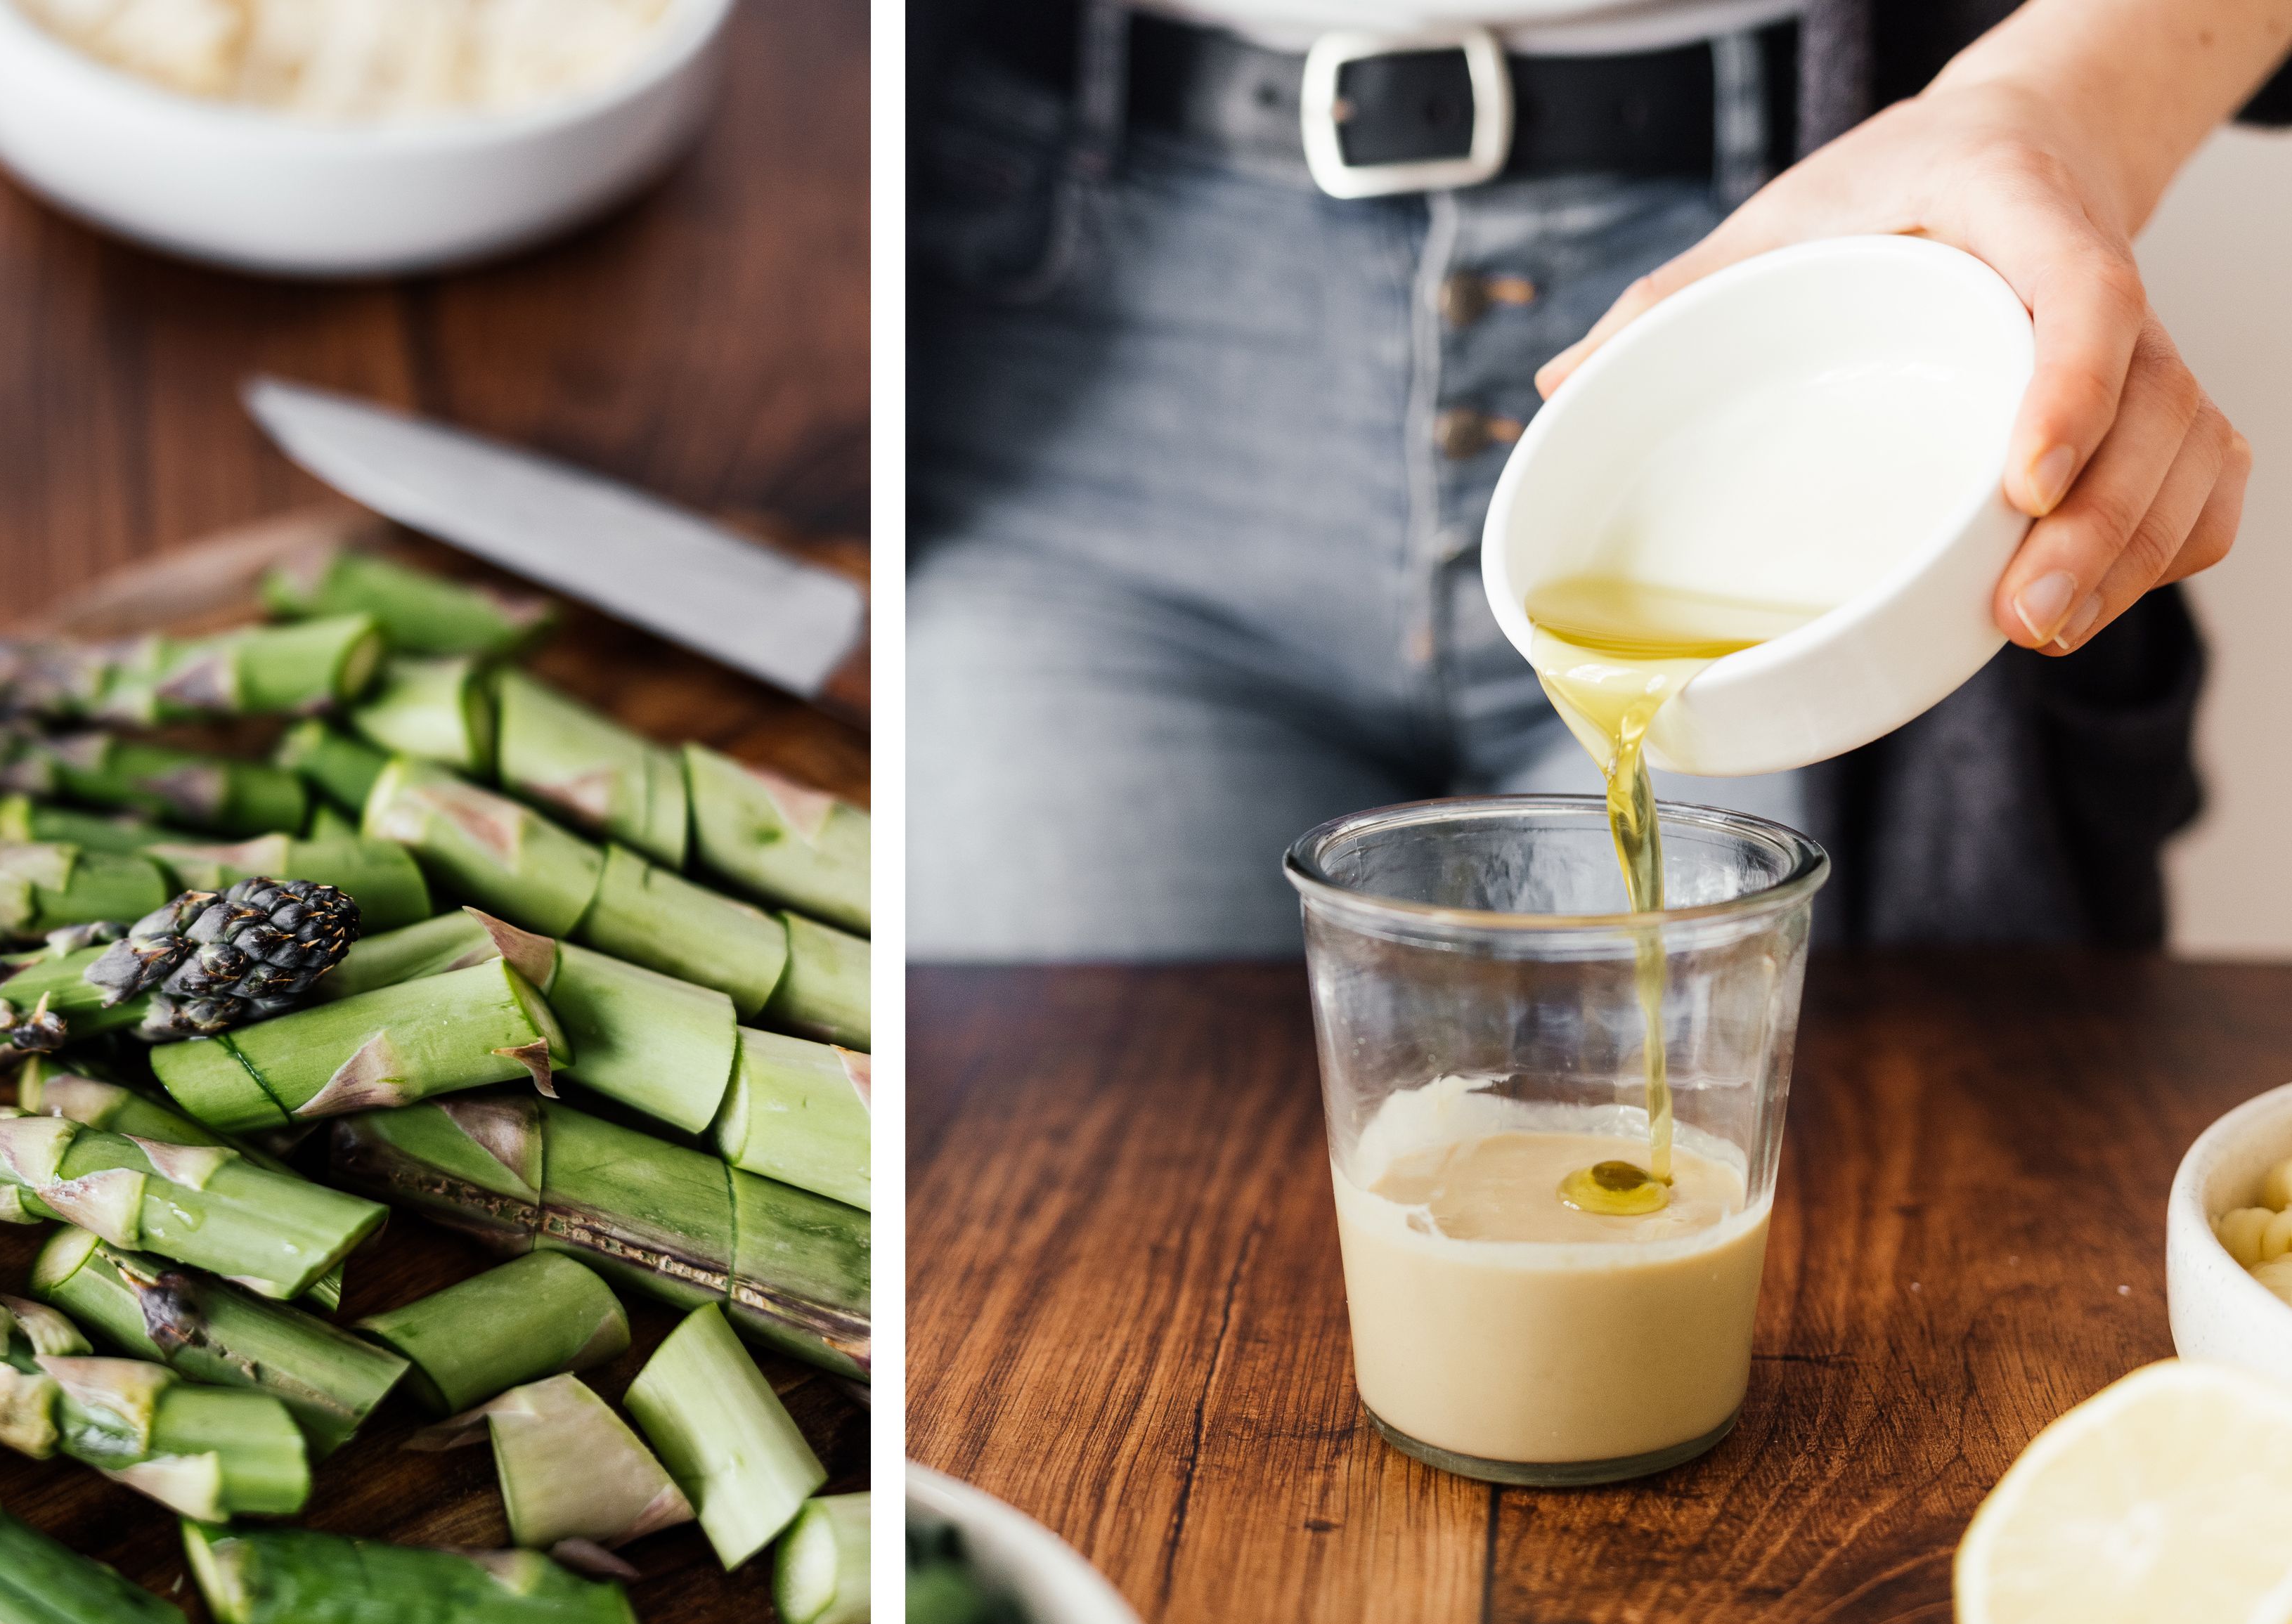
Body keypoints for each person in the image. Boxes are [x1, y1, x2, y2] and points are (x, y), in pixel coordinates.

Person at [909, 0, 2292, 957]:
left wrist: (2057, 107)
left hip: (1819, 277)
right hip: (1067, 341)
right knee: (1022, 1206)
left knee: (1877, 1203)